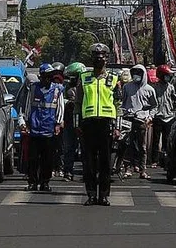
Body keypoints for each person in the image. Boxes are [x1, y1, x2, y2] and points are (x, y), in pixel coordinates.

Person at [74, 43, 120, 206]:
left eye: (102, 57)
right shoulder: (84, 78)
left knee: (105, 162)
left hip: (107, 123)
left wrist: (118, 127)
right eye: (96, 57)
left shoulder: (113, 79)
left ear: (106, 60)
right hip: (88, 124)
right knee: (89, 162)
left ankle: (104, 195)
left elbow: (118, 104)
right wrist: (77, 124)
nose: (99, 60)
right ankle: (92, 194)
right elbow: (78, 103)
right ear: (92, 59)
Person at [20, 63, 65, 192]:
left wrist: (58, 123)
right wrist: (26, 123)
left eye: (50, 77)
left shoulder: (57, 90)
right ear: (41, 77)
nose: (47, 80)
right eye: (45, 77)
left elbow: (60, 107)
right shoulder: (33, 89)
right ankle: (32, 182)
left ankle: (45, 182)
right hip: (34, 129)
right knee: (33, 159)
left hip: (49, 130)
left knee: (48, 159)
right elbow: (28, 106)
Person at [122, 64, 158, 179]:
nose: (136, 75)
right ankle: (128, 169)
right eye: (134, 73)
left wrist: (150, 117)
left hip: (142, 120)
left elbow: (154, 106)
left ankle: (143, 170)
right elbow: (123, 103)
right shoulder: (127, 87)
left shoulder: (149, 89)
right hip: (128, 119)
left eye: (139, 73)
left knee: (142, 146)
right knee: (127, 144)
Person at [60, 62, 85, 182]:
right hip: (69, 120)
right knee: (69, 148)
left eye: (73, 76)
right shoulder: (66, 88)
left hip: (84, 120)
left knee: (86, 148)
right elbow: (61, 101)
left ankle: (87, 172)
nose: (71, 79)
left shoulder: (87, 86)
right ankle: (68, 172)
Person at [149, 64, 176, 168]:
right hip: (158, 116)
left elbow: (174, 98)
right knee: (155, 140)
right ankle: (154, 160)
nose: (168, 78)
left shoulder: (171, 87)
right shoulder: (154, 87)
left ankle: (165, 160)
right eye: (166, 76)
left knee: (167, 139)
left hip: (168, 116)